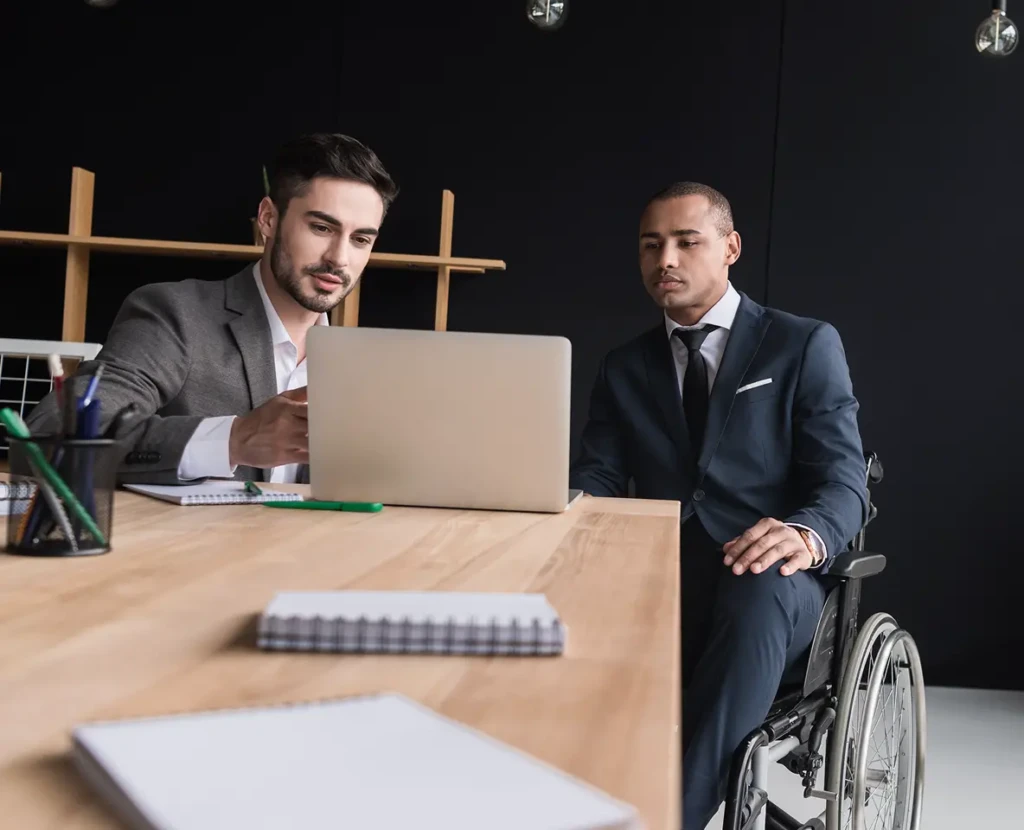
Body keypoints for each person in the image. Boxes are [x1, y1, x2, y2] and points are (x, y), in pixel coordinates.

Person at [568, 182, 869, 829]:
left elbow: (845, 481)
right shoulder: (624, 366)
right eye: (651, 246)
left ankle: (669, 819)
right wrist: (562, 513)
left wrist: (805, 532)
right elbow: (596, 476)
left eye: (686, 241)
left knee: (754, 587)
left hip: (773, 593)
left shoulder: (802, 345)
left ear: (730, 248)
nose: (665, 259)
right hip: (662, 580)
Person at [26, 132, 398, 486]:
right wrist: (234, 439)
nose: (339, 258)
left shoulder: (364, 366)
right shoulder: (175, 315)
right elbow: (51, 435)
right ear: (269, 218)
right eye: (321, 227)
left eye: (361, 239)